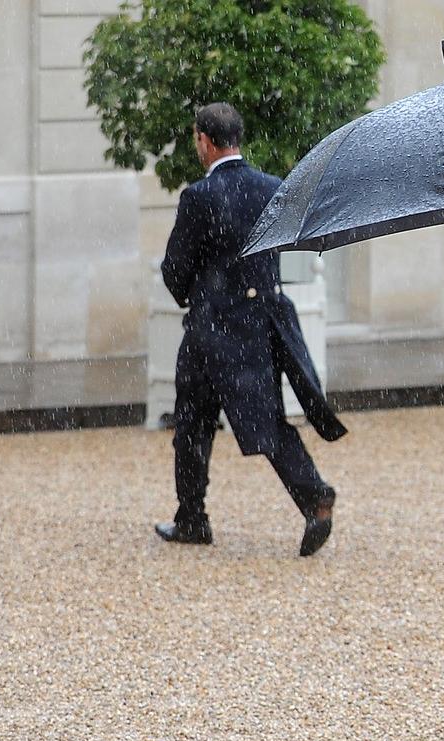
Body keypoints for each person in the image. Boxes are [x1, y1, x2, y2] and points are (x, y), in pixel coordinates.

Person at [155, 102, 346, 556]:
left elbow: (174, 268)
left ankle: (193, 519)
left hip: (210, 333)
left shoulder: (199, 197)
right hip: (259, 327)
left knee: (192, 426)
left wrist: (195, 296)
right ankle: (313, 496)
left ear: (204, 139)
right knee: (267, 422)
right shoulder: (272, 189)